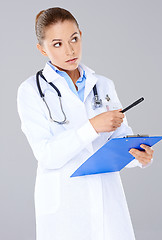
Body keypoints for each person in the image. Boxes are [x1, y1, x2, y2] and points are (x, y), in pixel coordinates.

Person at [17, 7, 154, 240]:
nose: (70, 50)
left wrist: (139, 156)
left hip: (107, 200)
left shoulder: (103, 85)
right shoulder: (31, 91)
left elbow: (120, 138)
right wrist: (92, 126)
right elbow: (47, 155)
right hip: (66, 206)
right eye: (57, 44)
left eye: (74, 39)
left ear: (81, 34)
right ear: (42, 49)